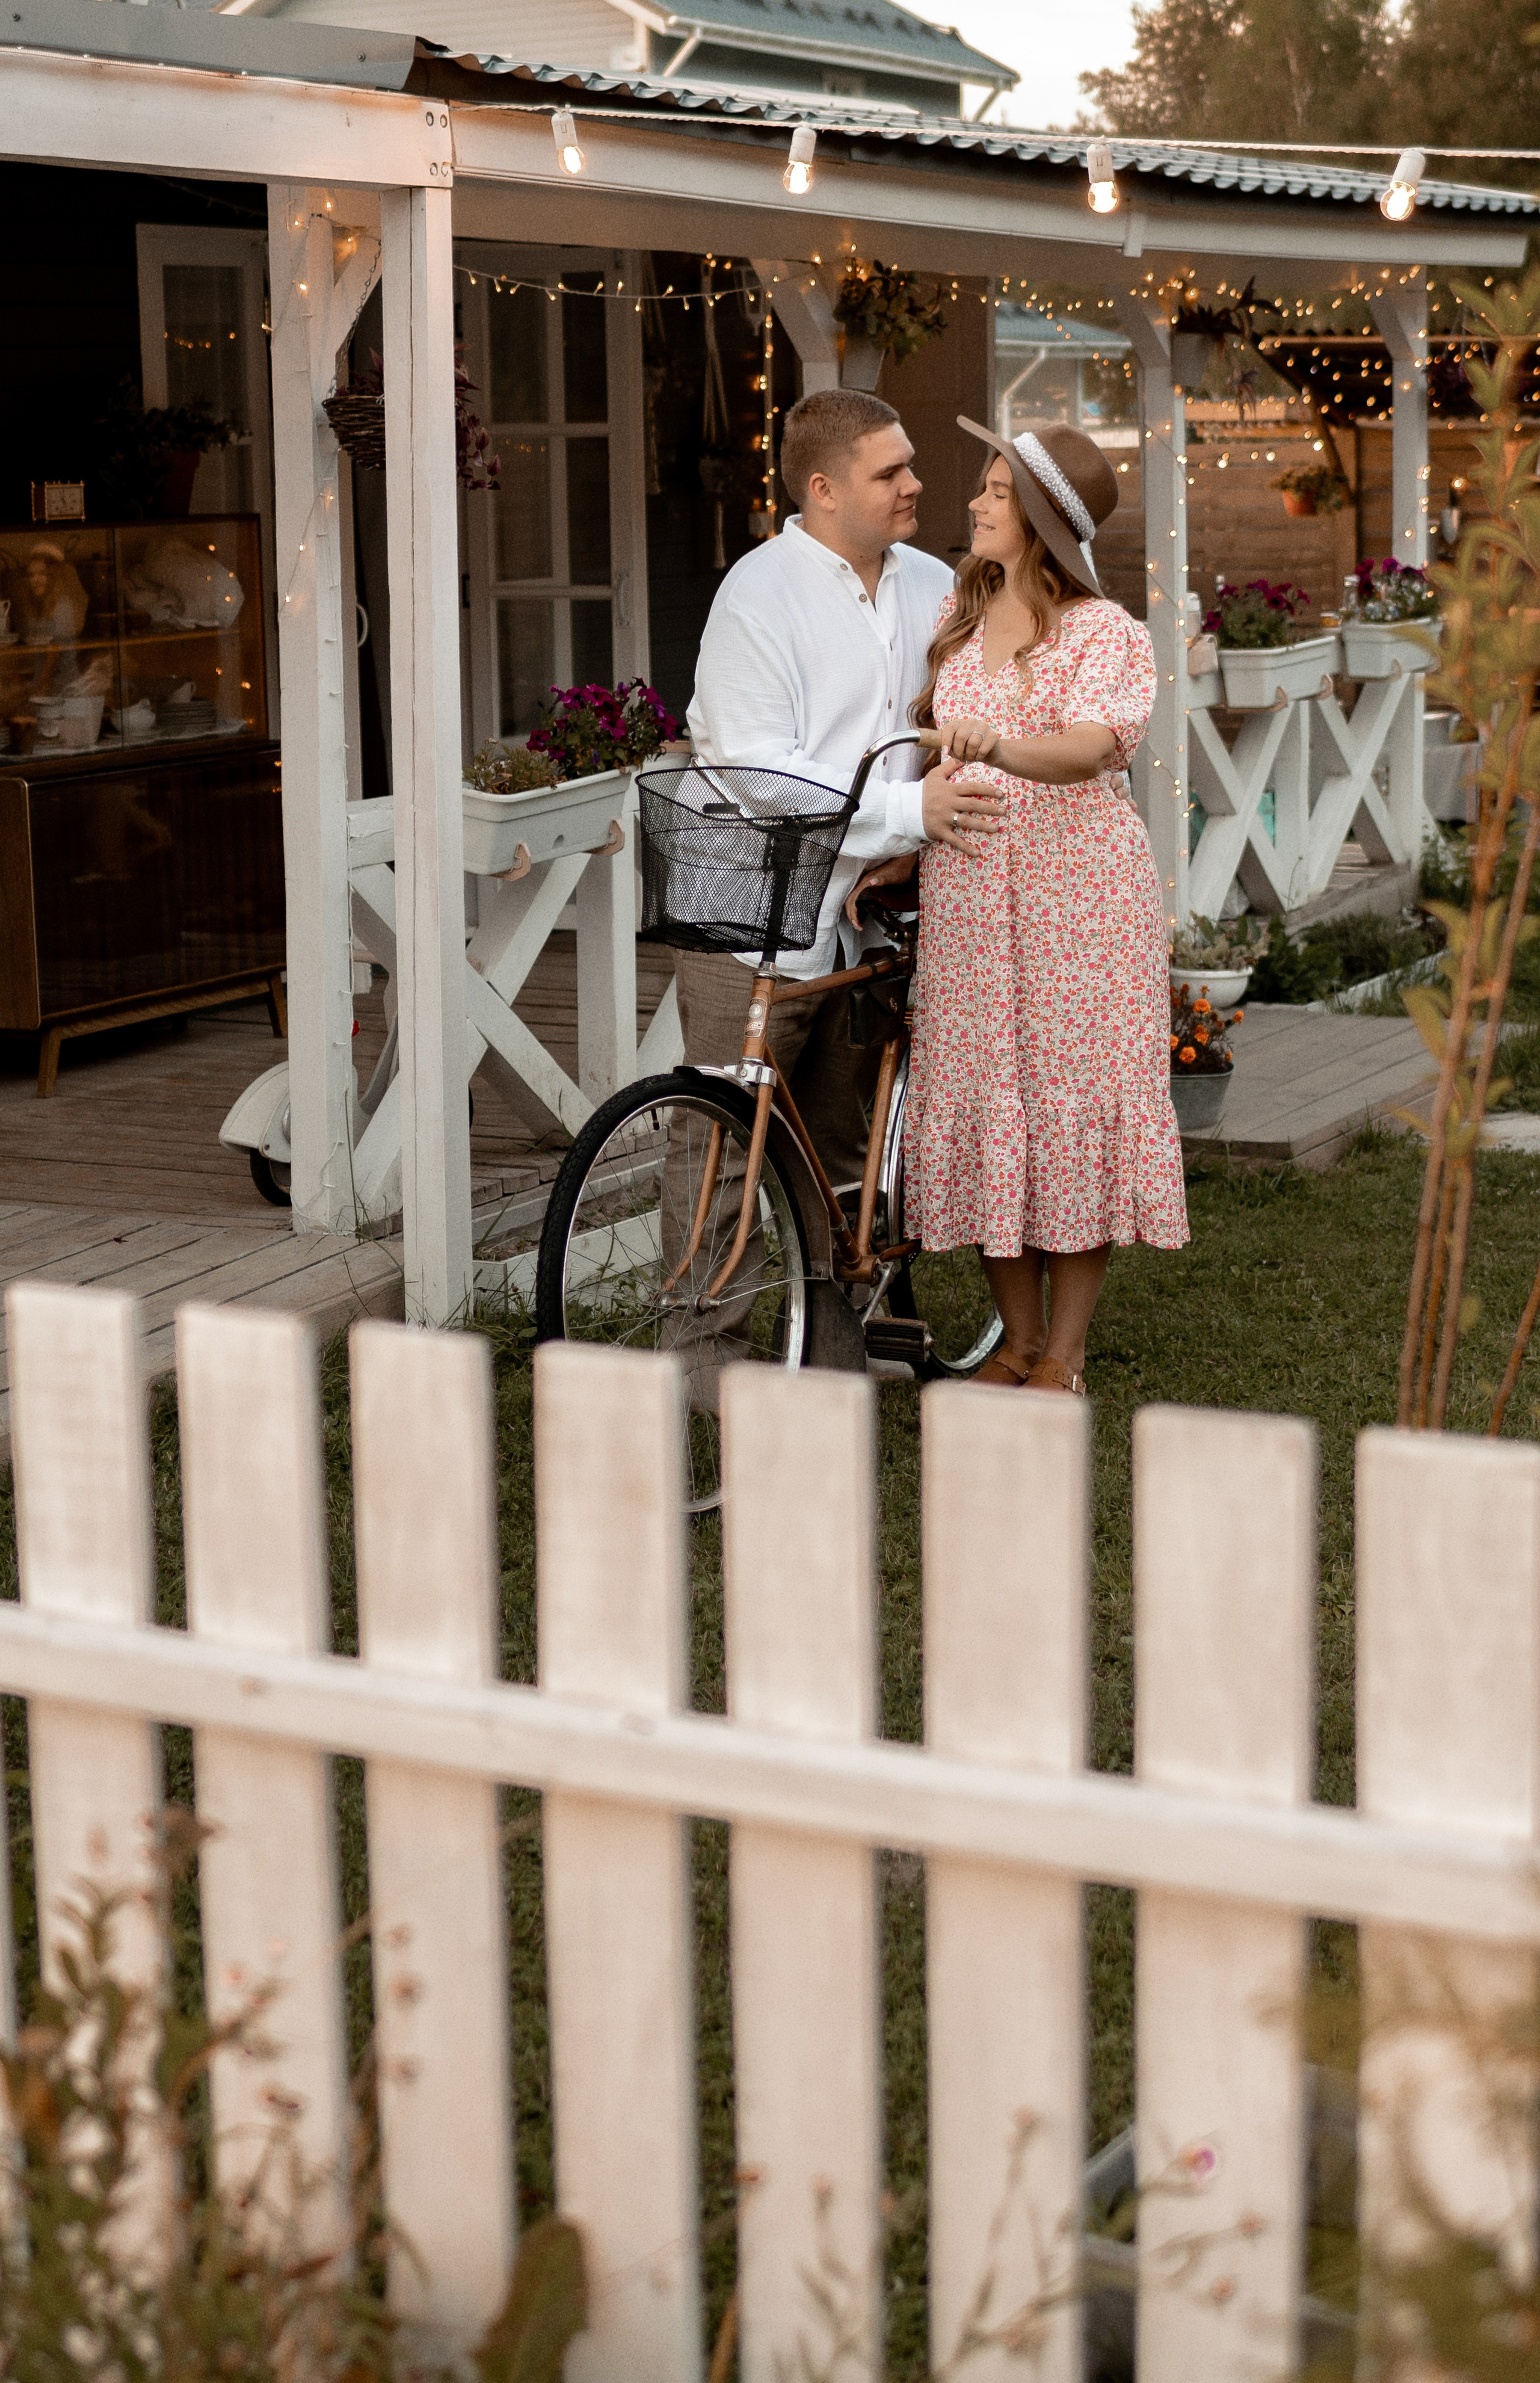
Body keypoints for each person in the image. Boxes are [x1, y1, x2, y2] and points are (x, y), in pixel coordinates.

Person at [851, 418, 1188, 1394]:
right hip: (970, 902)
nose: (975, 501)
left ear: (1039, 520)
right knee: (988, 1107)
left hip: (1079, 905)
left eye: (997, 490)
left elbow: (1093, 749)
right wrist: (903, 852)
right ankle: (1017, 1340)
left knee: (1070, 1114)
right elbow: (930, 754)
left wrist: (996, 749)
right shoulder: (960, 611)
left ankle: (1066, 1356)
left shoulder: (1104, 634)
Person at [683, 388, 1005, 1189]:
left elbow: (982, 715)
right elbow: (761, 774)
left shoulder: (940, 584)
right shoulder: (756, 596)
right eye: (888, 472)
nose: (914, 484)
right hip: (749, 916)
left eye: (911, 466)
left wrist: (916, 834)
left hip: (865, 925)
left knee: (836, 1158)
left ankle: (837, 1319)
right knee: (722, 1154)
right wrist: (906, 813)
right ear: (823, 489)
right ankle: (700, 1322)